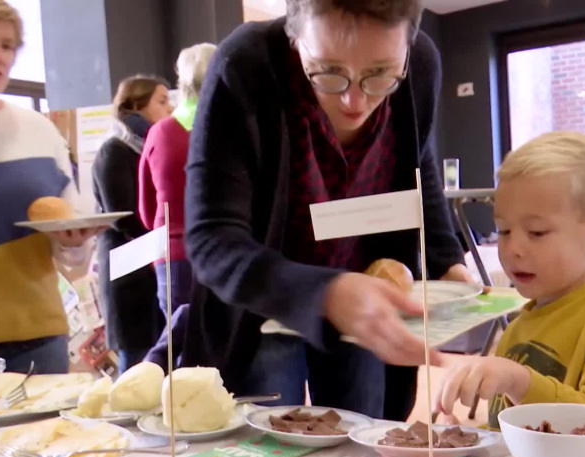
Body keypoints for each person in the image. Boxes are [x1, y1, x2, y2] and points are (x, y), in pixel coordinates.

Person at [183, 0, 473, 419]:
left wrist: (448, 261)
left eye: (380, 75)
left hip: (366, 300)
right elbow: (211, 240)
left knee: (362, 447)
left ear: (407, 45)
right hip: (263, 308)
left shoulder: (421, 65)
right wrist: (327, 293)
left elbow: (418, 166)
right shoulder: (246, 64)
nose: (355, 100)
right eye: (328, 72)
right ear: (294, 35)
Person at [434, 132, 585, 429]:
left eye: (537, 232)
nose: (513, 248)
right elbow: (511, 436)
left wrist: (521, 382)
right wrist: (467, 439)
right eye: (503, 231)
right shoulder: (516, 328)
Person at [0, 0, 98, 373]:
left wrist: (74, 240)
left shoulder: (39, 131)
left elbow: (72, 250)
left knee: (43, 434)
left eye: (8, 45)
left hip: (37, 338)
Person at [93, 75, 171, 374]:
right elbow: (124, 215)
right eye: (162, 101)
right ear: (137, 104)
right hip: (129, 266)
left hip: (152, 259)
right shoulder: (114, 149)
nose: (169, 109)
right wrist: (166, 238)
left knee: (156, 351)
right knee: (136, 354)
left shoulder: (150, 145)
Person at [139, 43, 217, 318]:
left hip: (172, 255)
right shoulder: (229, 131)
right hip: (223, 252)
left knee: (178, 346)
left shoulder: (160, 132)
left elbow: (147, 210)